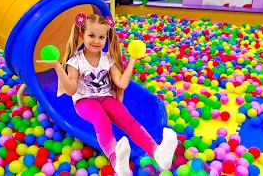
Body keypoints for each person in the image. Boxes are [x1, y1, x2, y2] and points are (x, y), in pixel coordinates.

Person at [36, 13, 178, 176]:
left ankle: (157, 153)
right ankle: (116, 160)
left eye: (101, 37)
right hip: (84, 101)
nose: (97, 41)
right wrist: (57, 67)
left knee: (127, 119)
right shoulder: (75, 61)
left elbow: (122, 83)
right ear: (82, 35)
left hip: (106, 97)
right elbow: (71, 90)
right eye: (91, 35)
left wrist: (132, 60)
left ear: (106, 38)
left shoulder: (108, 59)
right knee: (100, 118)